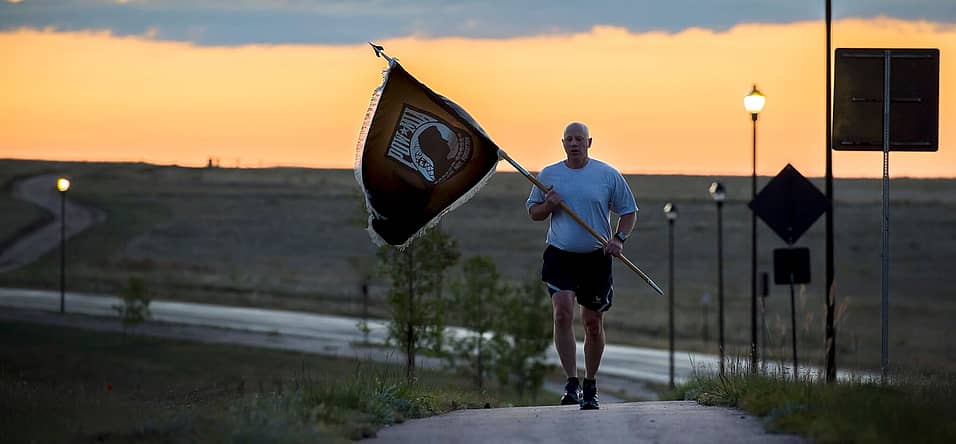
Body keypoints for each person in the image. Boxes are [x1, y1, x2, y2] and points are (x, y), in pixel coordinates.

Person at [526, 121, 638, 410]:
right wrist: (549, 205)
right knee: (562, 313)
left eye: (579, 139)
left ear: (589, 143)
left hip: (596, 259)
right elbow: (534, 213)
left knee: (592, 324)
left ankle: (590, 383)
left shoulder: (607, 175)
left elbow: (628, 212)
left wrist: (619, 238)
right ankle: (571, 381)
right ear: (562, 143)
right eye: (569, 139)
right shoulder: (550, 175)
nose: (574, 143)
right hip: (560, 255)